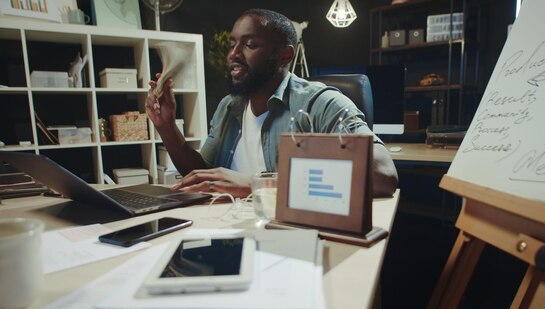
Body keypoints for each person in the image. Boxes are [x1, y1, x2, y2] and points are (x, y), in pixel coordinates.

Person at [145, 8, 398, 199]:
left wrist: (258, 185)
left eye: (250, 44)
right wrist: (167, 127)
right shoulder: (228, 107)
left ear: (285, 55)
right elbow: (203, 174)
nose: (233, 54)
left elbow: (384, 175)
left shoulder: (321, 103)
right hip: (227, 233)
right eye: (233, 44)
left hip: (290, 235)